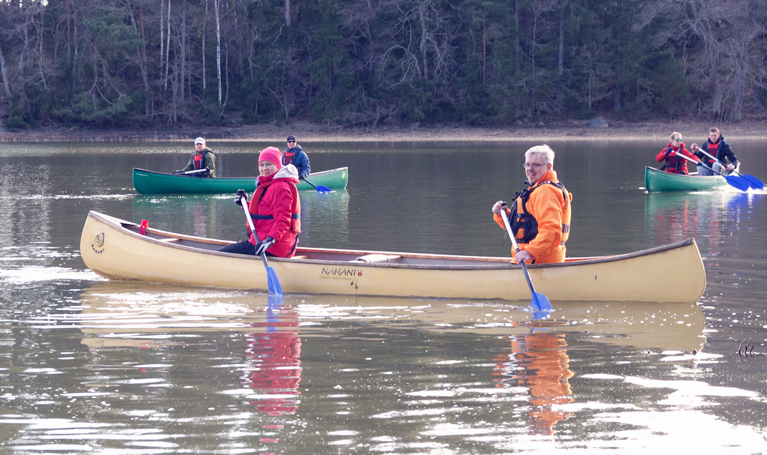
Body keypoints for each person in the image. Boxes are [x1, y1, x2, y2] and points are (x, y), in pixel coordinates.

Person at [491, 145, 572, 265]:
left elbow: (551, 229)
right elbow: (525, 227)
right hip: (532, 260)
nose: (530, 169)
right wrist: (501, 214)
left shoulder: (546, 192)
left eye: (535, 165)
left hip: (537, 261)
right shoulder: (538, 189)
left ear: (548, 166)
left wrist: (530, 252)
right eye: (527, 164)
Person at [218, 147, 301, 258]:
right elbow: (263, 212)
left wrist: (271, 239)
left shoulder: (280, 187)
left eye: (269, 164)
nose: (264, 168)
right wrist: (244, 204)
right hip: (265, 241)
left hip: (272, 246)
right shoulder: (270, 184)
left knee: (219, 255)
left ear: (278, 166)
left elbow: (283, 219)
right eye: (261, 165)